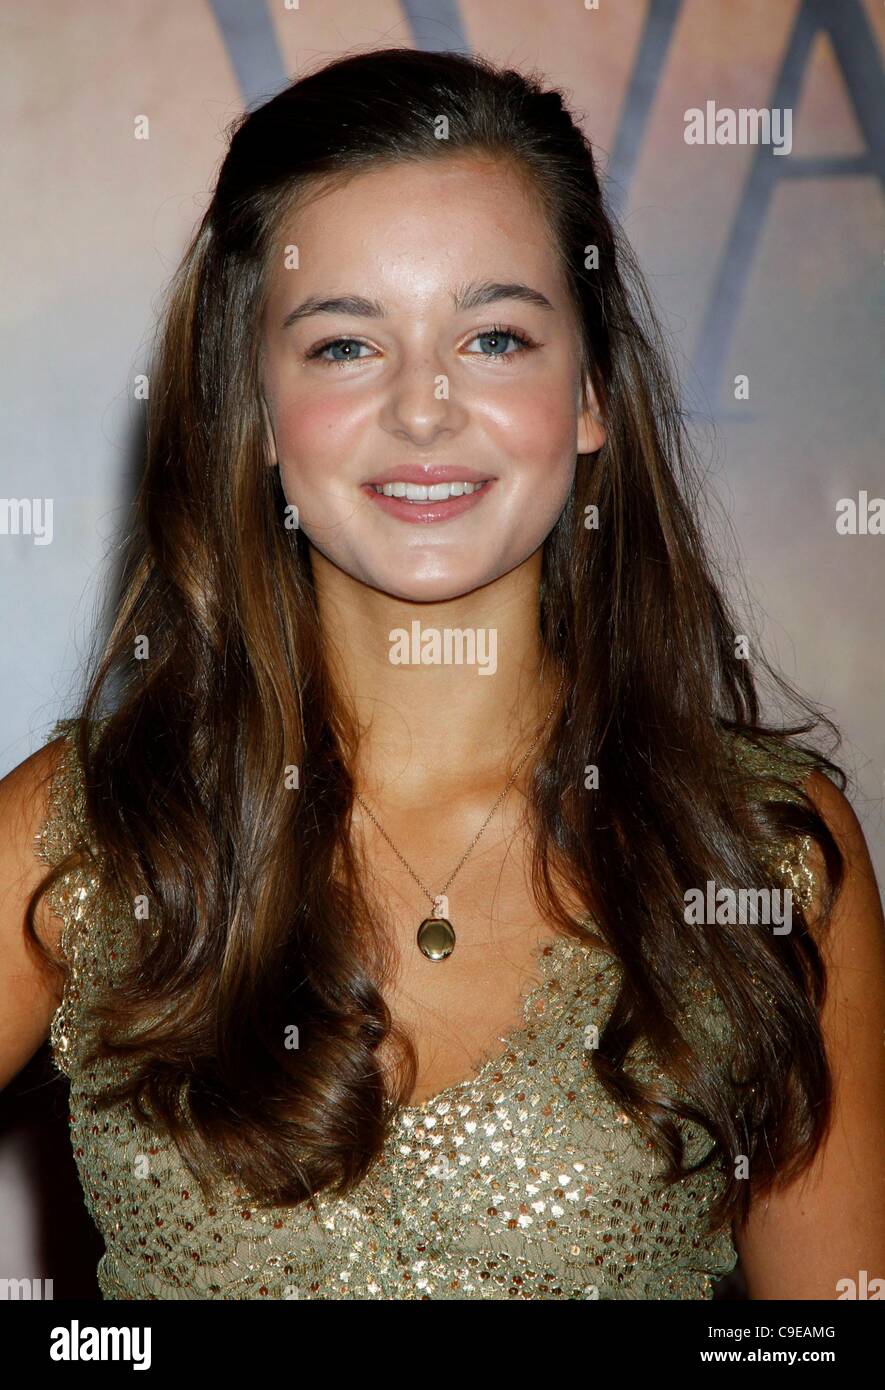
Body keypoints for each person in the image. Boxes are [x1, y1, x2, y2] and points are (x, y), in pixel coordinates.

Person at [2, 47, 883, 1301]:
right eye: (346, 344)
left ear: (588, 394)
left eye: (494, 335)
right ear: (250, 404)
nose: (425, 409)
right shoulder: (89, 829)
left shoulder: (760, 851)